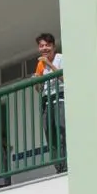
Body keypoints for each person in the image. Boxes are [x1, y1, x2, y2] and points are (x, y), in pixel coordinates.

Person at [34, 34, 66, 173]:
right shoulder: (40, 64)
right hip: (47, 102)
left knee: (61, 130)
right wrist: (37, 82)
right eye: (41, 46)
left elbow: (64, 78)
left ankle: (66, 164)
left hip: (60, 99)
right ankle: (58, 166)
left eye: (47, 45)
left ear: (53, 46)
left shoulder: (60, 58)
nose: (44, 48)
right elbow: (39, 89)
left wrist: (49, 64)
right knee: (50, 133)